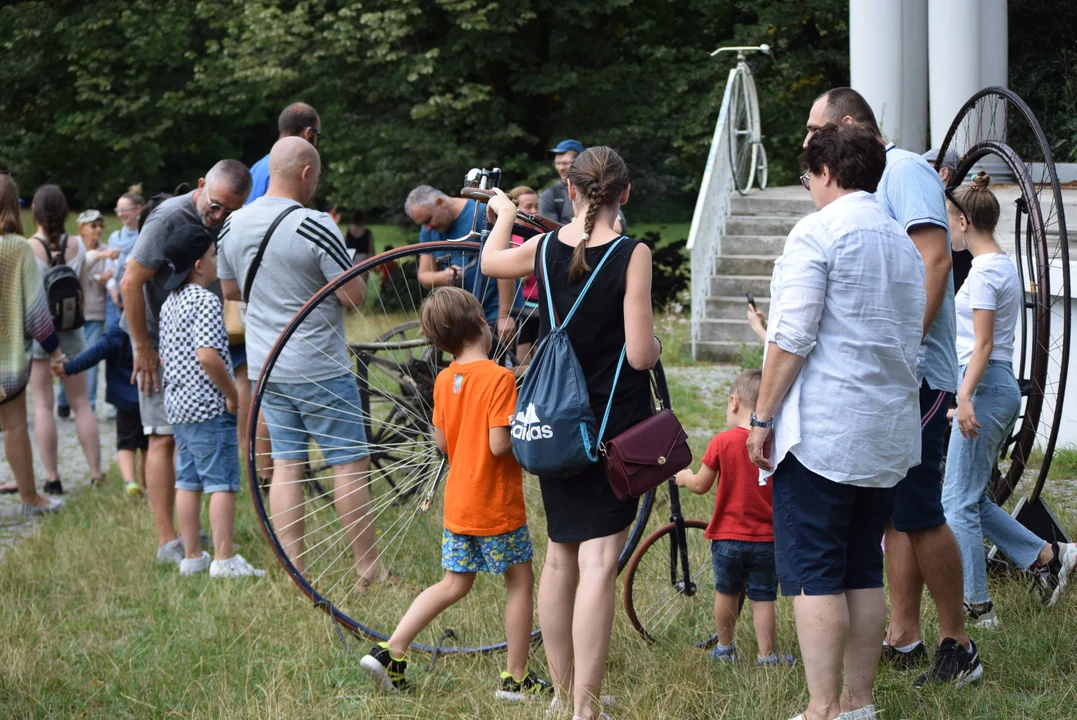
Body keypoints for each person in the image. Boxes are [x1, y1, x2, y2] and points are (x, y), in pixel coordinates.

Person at [747, 123, 927, 720]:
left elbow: (791, 336)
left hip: (824, 433)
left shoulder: (817, 231)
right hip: (886, 432)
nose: (808, 188)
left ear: (825, 172)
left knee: (816, 573)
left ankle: (823, 708)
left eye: (807, 177)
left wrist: (761, 415)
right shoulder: (902, 240)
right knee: (860, 568)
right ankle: (858, 704)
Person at [804, 87, 977, 688]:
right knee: (893, 512)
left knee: (920, 510)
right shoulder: (878, 178)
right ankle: (902, 634)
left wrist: (901, 351)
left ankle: (959, 642)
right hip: (894, 374)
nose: (807, 143)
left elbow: (934, 261)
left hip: (918, 374)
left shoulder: (903, 172)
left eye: (815, 128)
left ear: (849, 124)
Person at [481, 146, 660, 720]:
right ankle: (585, 708)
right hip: (612, 426)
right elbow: (638, 354)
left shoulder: (541, 247)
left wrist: (503, 213)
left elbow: (489, 264)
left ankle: (561, 694)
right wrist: (656, 346)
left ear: (572, 190)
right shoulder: (633, 255)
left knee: (561, 556)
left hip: (557, 425)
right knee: (599, 563)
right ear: (624, 195)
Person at [360, 286, 549, 699]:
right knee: (519, 581)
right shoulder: (500, 377)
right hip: (495, 504)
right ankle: (516, 679)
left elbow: (442, 444)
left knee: (453, 583)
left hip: (460, 504)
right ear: (482, 323)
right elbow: (501, 444)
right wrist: (531, 432)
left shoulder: (444, 380)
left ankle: (392, 649)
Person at [217, 137, 386, 588]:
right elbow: (352, 296)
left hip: (265, 367)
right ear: (307, 173)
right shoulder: (316, 224)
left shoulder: (232, 225)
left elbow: (230, 290)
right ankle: (369, 569)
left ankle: (294, 571)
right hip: (319, 365)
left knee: (287, 463)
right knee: (349, 463)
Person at [941, 172, 1077, 623]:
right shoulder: (1002, 265)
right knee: (971, 497)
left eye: (947, 219)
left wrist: (963, 397)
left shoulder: (983, 274)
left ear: (962, 221)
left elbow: (980, 346)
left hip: (982, 386)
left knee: (955, 502)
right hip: (992, 386)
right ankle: (1048, 556)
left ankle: (978, 608)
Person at [120, 160, 251, 565]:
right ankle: (169, 541)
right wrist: (143, 346)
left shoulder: (216, 227)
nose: (220, 217)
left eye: (230, 211)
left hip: (185, 337)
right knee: (161, 438)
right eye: (215, 207)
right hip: (160, 345)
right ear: (200, 186)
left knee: (189, 466)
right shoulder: (168, 219)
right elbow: (129, 282)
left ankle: (191, 542)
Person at [159, 224, 264, 578]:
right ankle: (224, 559)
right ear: (199, 265)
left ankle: (191, 556)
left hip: (179, 407)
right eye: (213, 254)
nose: (217, 260)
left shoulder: (169, 303)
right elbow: (207, 355)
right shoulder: (204, 300)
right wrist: (231, 394)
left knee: (187, 480)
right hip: (208, 406)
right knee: (221, 481)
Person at [675, 369, 795, 667]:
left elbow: (701, 486)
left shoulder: (722, 441)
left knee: (726, 592)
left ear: (733, 402)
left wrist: (684, 477)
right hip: (767, 539)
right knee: (763, 598)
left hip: (727, 539)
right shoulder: (776, 444)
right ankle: (767, 656)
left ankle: (725, 649)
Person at [27, 185, 103, 493]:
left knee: (43, 406)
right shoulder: (76, 246)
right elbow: (82, 292)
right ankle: (97, 473)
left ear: (35, 211)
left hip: (39, 337)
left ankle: (52, 477)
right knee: (82, 404)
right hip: (73, 335)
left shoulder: (28, 247)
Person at [0, 173, 65, 514]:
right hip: (7, 365)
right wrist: (56, 352)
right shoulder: (16, 248)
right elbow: (37, 316)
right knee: (13, 428)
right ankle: (29, 497)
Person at [405, 185, 521, 346]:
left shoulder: (482, 214)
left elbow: (504, 263)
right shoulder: (428, 230)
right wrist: (443, 276)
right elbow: (424, 275)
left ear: (440, 202)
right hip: (461, 318)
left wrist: (504, 314)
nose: (427, 227)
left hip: (495, 311)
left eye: (428, 220)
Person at [54, 317, 147, 499]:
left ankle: (130, 482)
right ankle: (149, 485)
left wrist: (68, 368)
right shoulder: (151, 329)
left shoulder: (115, 333)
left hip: (124, 403)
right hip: (148, 398)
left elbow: (92, 355)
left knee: (125, 445)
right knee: (148, 447)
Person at [73, 209, 121, 414]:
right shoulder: (74, 247)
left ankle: (89, 405)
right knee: (68, 357)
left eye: (101, 225)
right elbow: (80, 263)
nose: (98, 230)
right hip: (71, 313)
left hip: (94, 312)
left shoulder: (106, 250)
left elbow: (112, 272)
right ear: (82, 228)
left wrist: (108, 276)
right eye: (93, 226)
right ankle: (65, 401)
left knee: (90, 359)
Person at [539, 139, 625, 232]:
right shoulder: (550, 196)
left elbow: (618, 227)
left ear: (580, 163)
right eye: (557, 164)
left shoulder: (599, 187)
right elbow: (549, 232)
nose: (561, 168)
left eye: (565, 163)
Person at [246, 102, 321, 205]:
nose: (317, 142)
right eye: (317, 134)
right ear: (307, 133)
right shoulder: (290, 172)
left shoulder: (256, 167)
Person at [508, 186, 541, 366]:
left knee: (541, 360)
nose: (534, 211)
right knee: (520, 363)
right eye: (529, 207)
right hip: (520, 308)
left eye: (536, 206)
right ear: (515, 209)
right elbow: (519, 272)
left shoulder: (542, 233)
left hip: (542, 306)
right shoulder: (511, 236)